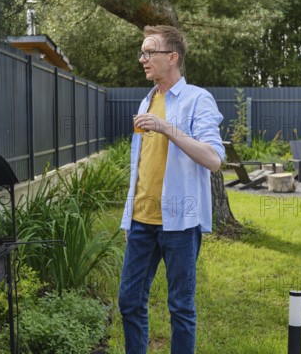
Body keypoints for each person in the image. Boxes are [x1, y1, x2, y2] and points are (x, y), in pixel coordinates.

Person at [118, 25, 225, 354]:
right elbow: (142, 164)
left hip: (179, 222)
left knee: (180, 307)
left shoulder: (197, 99)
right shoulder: (147, 100)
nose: (143, 59)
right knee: (129, 302)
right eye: (142, 52)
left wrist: (167, 128)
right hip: (141, 221)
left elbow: (214, 159)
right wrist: (128, 218)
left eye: (150, 52)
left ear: (172, 57)